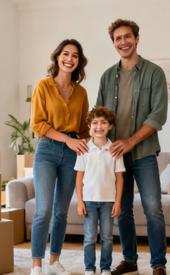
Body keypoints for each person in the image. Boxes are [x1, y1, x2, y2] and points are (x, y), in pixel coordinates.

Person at [97, 19, 169, 275]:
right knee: (122, 210)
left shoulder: (154, 73)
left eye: (127, 36)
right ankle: (130, 260)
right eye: (118, 38)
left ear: (136, 39)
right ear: (113, 43)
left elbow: (158, 115)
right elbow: (99, 115)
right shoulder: (107, 76)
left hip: (144, 153)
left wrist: (130, 142)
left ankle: (158, 264)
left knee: (153, 208)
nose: (123, 42)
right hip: (115, 157)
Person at [29, 39, 90, 275]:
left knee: (61, 211)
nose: (69, 59)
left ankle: (54, 262)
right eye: (66, 54)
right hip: (47, 150)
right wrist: (67, 139)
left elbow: (83, 129)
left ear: (79, 62)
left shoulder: (81, 92)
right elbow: (38, 124)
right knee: (43, 209)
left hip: (72, 154)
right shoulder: (43, 86)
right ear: (57, 57)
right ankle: (36, 265)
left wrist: (88, 142)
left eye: (75, 56)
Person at [75, 106, 125, 275]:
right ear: (89, 126)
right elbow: (79, 177)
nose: (99, 126)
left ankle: (105, 268)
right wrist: (80, 201)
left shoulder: (115, 150)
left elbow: (119, 178)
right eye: (95, 123)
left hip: (108, 202)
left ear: (110, 126)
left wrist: (117, 202)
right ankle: (89, 268)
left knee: (107, 238)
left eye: (103, 122)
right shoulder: (83, 149)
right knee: (89, 238)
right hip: (88, 201)